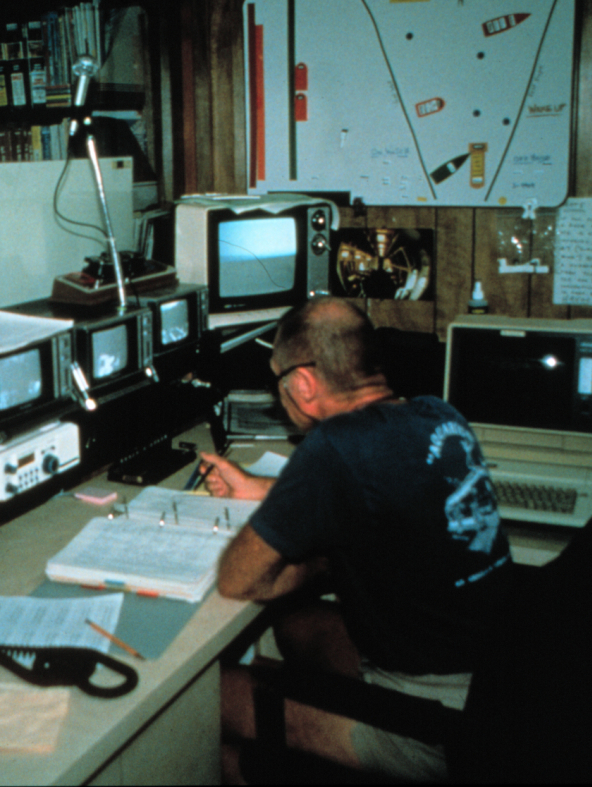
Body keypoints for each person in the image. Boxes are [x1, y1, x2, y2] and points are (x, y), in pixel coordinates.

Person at [200, 297, 514, 783]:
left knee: (211, 699)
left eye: (279, 382)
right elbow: (384, 496)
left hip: (435, 725)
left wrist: (314, 565)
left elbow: (238, 579)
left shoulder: (334, 445)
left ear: (303, 385)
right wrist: (263, 491)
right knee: (296, 629)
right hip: (498, 683)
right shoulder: (437, 415)